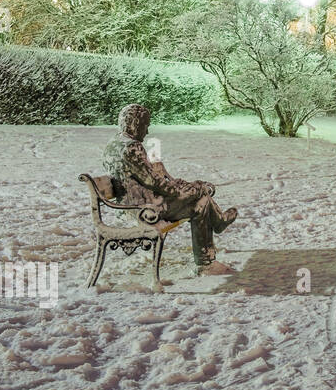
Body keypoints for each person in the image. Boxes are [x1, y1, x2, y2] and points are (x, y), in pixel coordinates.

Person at [102, 104, 237, 270]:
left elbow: (149, 180)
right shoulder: (131, 147)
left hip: (130, 206)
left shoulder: (113, 143)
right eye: (146, 125)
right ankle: (207, 256)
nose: (147, 132)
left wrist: (185, 187)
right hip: (144, 211)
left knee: (199, 199)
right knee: (200, 201)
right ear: (135, 123)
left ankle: (215, 232)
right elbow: (156, 184)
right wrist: (192, 189)